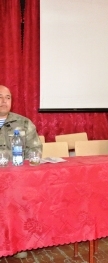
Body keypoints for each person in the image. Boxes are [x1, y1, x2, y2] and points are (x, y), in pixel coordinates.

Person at [0, 85, 42, 259]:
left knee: (20, 201)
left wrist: (26, 168)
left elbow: (36, 149)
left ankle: (18, 244)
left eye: (8, 97)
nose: (4, 101)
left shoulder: (23, 122)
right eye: (0, 97)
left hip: (17, 178)